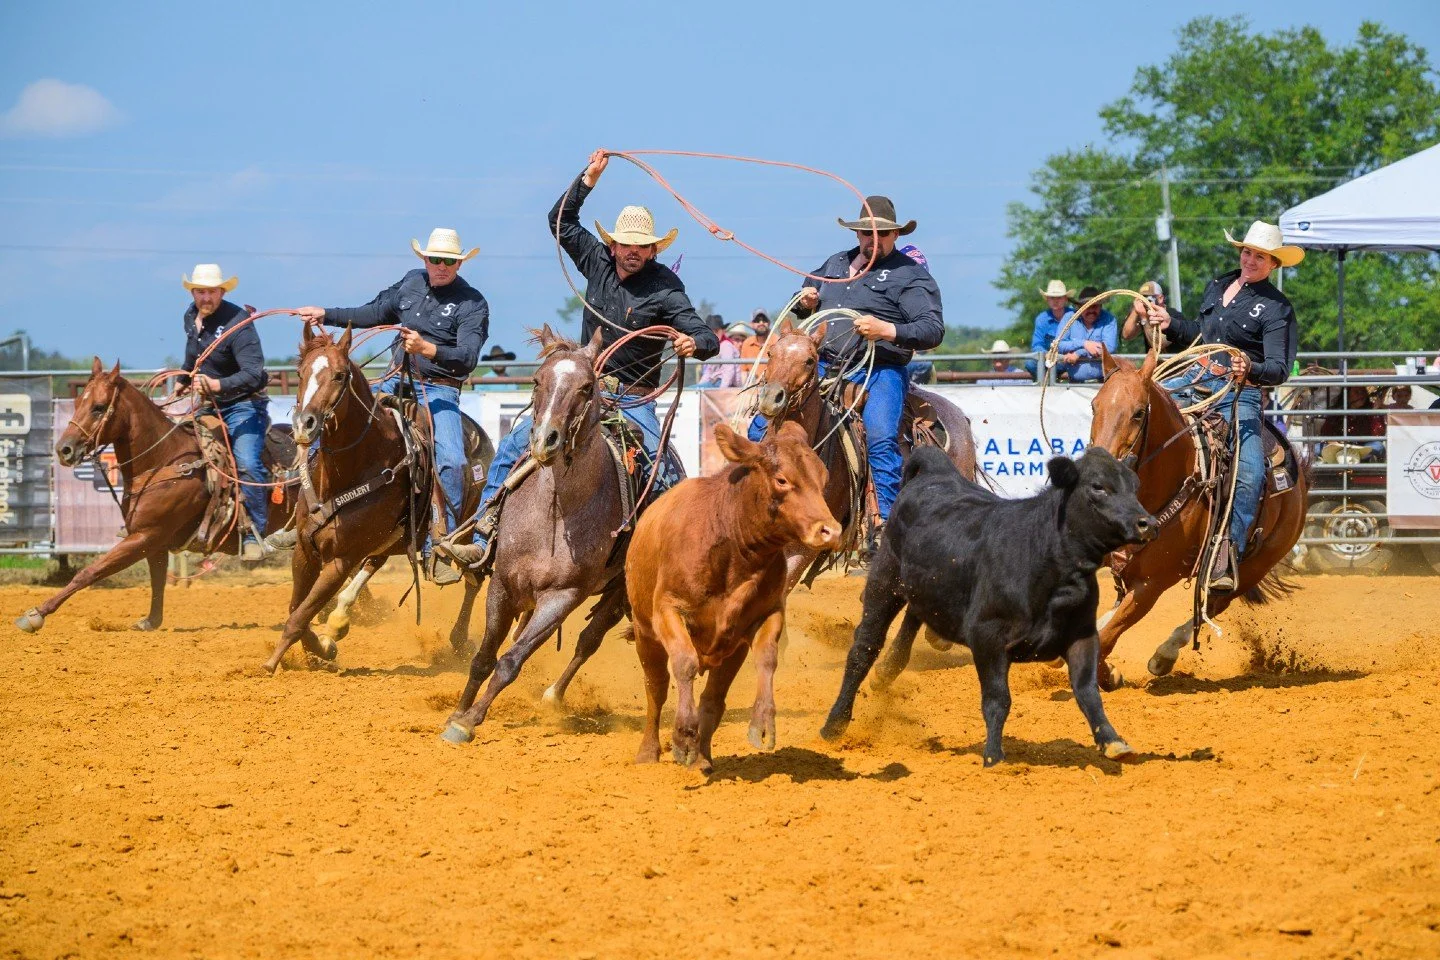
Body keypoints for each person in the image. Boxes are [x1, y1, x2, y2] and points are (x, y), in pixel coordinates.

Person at [444, 149, 718, 567]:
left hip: (632, 397)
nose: (634, 251)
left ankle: (661, 556)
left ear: (653, 251)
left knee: (661, 469)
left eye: (643, 246)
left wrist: (692, 343)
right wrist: (588, 178)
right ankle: (483, 529)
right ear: (612, 243)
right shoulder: (596, 262)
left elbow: (703, 334)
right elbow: (561, 220)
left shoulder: (666, 287)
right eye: (627, 243)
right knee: (517, 444)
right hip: (583, 390)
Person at [294, 227, 489, 585]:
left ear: (459, 263)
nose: (441, 266)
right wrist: (326, 313)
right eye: (435, 259)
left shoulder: (472, 303)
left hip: (440, 389)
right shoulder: (411, 284)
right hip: (393, 382)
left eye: (449, 260)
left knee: (452, 459)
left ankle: (440, 542)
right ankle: (305, 517)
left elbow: (468, 356)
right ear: (424, 260)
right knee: (330, 419)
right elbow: (373, 311)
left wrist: (429, 349)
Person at [750, 194, 943, 536]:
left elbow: (932, 329)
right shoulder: (836, 264)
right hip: (824, 365)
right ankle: (751, 503)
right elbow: (807, 296)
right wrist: (806, 301)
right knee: (760, 424)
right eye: (867, 233)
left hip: (878, 368)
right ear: (857, 234)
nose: (874, 239)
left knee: (882, 436)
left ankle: (886, 523)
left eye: (882, 234)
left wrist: (888, 329)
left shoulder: (909, 276)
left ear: (896, 235)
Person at [1146, 220, 1303, 591]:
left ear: (1273, 264)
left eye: (1260, 256)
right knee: (1140, 416)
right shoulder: (1218, 285)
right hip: (1194, 376)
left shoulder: (1276, 308)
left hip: (1240, 392)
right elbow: (1198, 338)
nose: (1250, 260)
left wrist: (1251, 366)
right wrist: (1170, 324)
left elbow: (1279, 368)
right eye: (1247, 252)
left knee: (1248, 469)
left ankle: (1225, 551)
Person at [176, 263, 271, 560]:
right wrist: (183, 379)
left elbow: (254, 373)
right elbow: (194, 356)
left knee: (247, 462)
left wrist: (217, 385)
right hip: (209, 405)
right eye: (201, 291)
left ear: (222, 291)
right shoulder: (191, 316)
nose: (206, 298)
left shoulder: (238, 324)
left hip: (244, 404)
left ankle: (254, 532)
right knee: (178, 451)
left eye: (212, 292)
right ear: (193, 292)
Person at [1054, 286, 1118, 383]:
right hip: (1073, 384)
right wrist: (1085, 344)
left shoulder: (1109, 319)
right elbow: (1059, 345)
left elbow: (1109, 347)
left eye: (1095, 306)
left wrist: (1080, 353)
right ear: (1079, 307)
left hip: (1103, 383)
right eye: (1087, 306)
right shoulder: (1069, 318)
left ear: (1101, 306)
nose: (1091, 310)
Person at [1121, 280, 1187, 349]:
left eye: (1148, 298)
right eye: (1143, 298)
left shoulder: (1174, 316)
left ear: (1160, 298)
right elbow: (1126, 335)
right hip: (1153, 359)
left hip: (1175, 358)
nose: (1145, 301)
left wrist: (1144, 319)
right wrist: (1135, 310)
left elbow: (1159, 345)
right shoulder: (1144, 314)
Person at [1028, 280, 1074, 378]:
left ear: (1065, 299)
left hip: (1069, 360)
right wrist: (1046, 354)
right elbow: (1037, 345)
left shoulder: (1075, 316)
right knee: (1030, 364)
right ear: (1047, 299)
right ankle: (1048, 385)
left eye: (1059, 298)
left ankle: (1048, 381)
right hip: (1048, 360)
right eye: (1052, 298)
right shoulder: (1041, 319)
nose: (1055, 301)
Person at [699, 322, 752, 388]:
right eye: (737, 340)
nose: (741, 344)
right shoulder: (726, 350)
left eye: (743, 340)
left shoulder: (748, 356)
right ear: (730, 340)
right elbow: (710, 372)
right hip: (724, 387)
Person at [739, 309, 770, 377]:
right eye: (757, 320)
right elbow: (743, 371)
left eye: (764, 320)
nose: (761, 323)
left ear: (769, 323)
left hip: (773, 386)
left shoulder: (778, 341)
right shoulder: (746, 343)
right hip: (752, 385)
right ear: (751, 324)